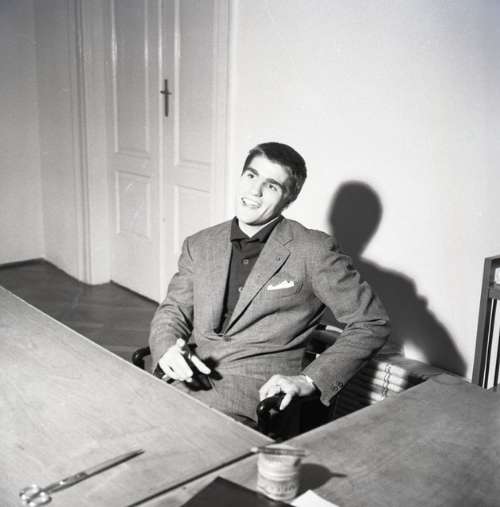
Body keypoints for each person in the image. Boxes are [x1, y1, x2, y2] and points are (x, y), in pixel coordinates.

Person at [149, 142, 390, 426]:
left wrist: (309, 380)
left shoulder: (313, 250)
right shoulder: (199, 244)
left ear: (289, 198)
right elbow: (173, 310)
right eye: (251, 176)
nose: (255, 191)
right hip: (186, 377)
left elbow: (372, 322)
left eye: (272, 186)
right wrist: (166, 348)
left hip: (255, 396)